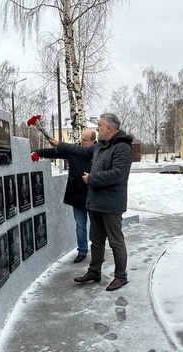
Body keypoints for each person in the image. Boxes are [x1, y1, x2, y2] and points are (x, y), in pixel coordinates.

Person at [48, 113, 133, 291]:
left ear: (109, 128)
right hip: (96, 203)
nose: (98, 129)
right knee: (96, 240)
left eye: (100, 125)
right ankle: (94, 271)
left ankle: (121, 276)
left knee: (116, 241)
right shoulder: (100, 146)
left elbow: (118, 174)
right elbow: (81, 151)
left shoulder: (122, 147)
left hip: (111, 205)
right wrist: (60, 145)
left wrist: (92, 178)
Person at [31, 129, 96, 263]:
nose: (81, 141)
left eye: (85, 140)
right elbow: (54, 152)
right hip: (77, 195)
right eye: (81, 138)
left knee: (96, 227)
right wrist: (36, 152)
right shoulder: (74, 150)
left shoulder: (98, 152)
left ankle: (97, 251)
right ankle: (82, 250)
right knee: (80, 225)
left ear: (93, 141)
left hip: (94, 196)